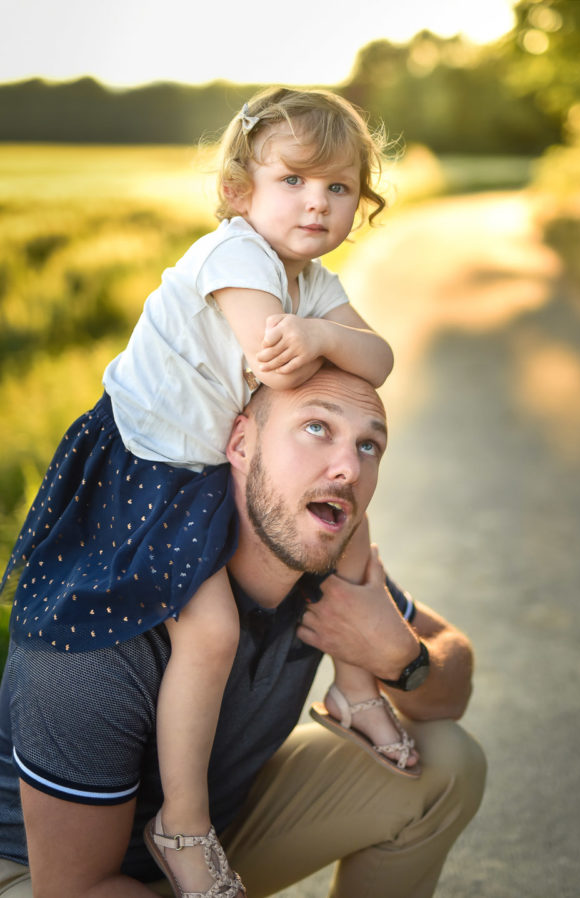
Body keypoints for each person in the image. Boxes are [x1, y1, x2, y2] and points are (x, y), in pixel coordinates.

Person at [0, 87, 416, 895]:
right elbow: (278, 364)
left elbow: (377, 358)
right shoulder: (235, 257)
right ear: (238, 193)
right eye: (294, 181)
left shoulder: (311, 283)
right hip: (150, 470)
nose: (317, 204)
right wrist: (317, 347)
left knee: (353, 525)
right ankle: (182, 819)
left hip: (201, 465)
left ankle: (356, 691)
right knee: (213, 628)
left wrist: (328, 334)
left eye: (338, 189)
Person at [0, 364, 486, 896]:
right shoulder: (99, 633)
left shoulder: (318, 555)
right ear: (240, 444)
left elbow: (453, 681)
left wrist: (401, 657)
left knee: (448, 762)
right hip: (42, 876)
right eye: (317, 428)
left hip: (219, 842)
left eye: (370, 445)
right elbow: (77, 888)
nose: (348, 466)